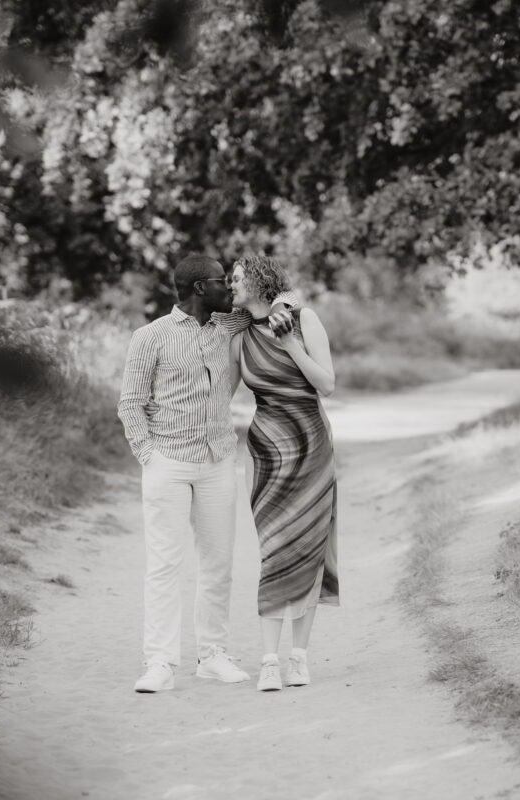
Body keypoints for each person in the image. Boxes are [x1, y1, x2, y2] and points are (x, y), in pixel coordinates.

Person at [117, 254, 296, 693]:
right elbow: (130, 403)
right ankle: (159, 662)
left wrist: (282, 311)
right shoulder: (150, 336)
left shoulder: (229, 326)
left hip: (218, 461)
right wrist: (149, 456)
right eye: (222, 281)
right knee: (164, 565)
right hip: (168, 463)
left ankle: (212, 655)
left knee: (218, 565)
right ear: (200, 288)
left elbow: (277, 304)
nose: (229, 288)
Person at [228, 254, 337, 692]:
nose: (230, 285)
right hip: (267, 451)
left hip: (312, 444)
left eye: (236, 278)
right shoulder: (238, 336)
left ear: (258, 279)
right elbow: (223, 393)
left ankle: (299, 658)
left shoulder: (305, 319)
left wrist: (291, 345)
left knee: (309, 548)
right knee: (274, 550)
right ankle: (269, 661)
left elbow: (326, 384)